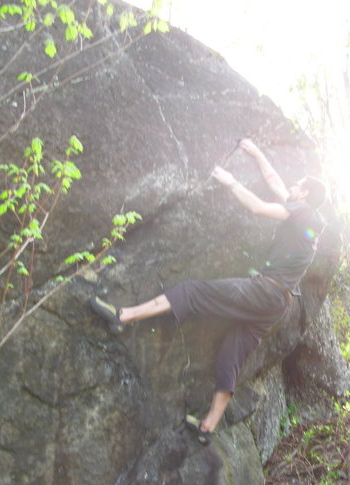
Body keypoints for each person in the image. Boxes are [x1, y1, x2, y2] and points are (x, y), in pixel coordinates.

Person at [90, 139, 326, 445]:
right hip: (276, 304)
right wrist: (255, 153)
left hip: (264, 291)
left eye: (298, 185)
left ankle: (124, 316)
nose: (292, 186)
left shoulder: (304, 215)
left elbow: (257, 207)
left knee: (193, 291)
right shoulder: (305, 217)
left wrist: (231, 182)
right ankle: (208, 428)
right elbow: (276, 183)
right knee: (232, 353)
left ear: (304, 193)